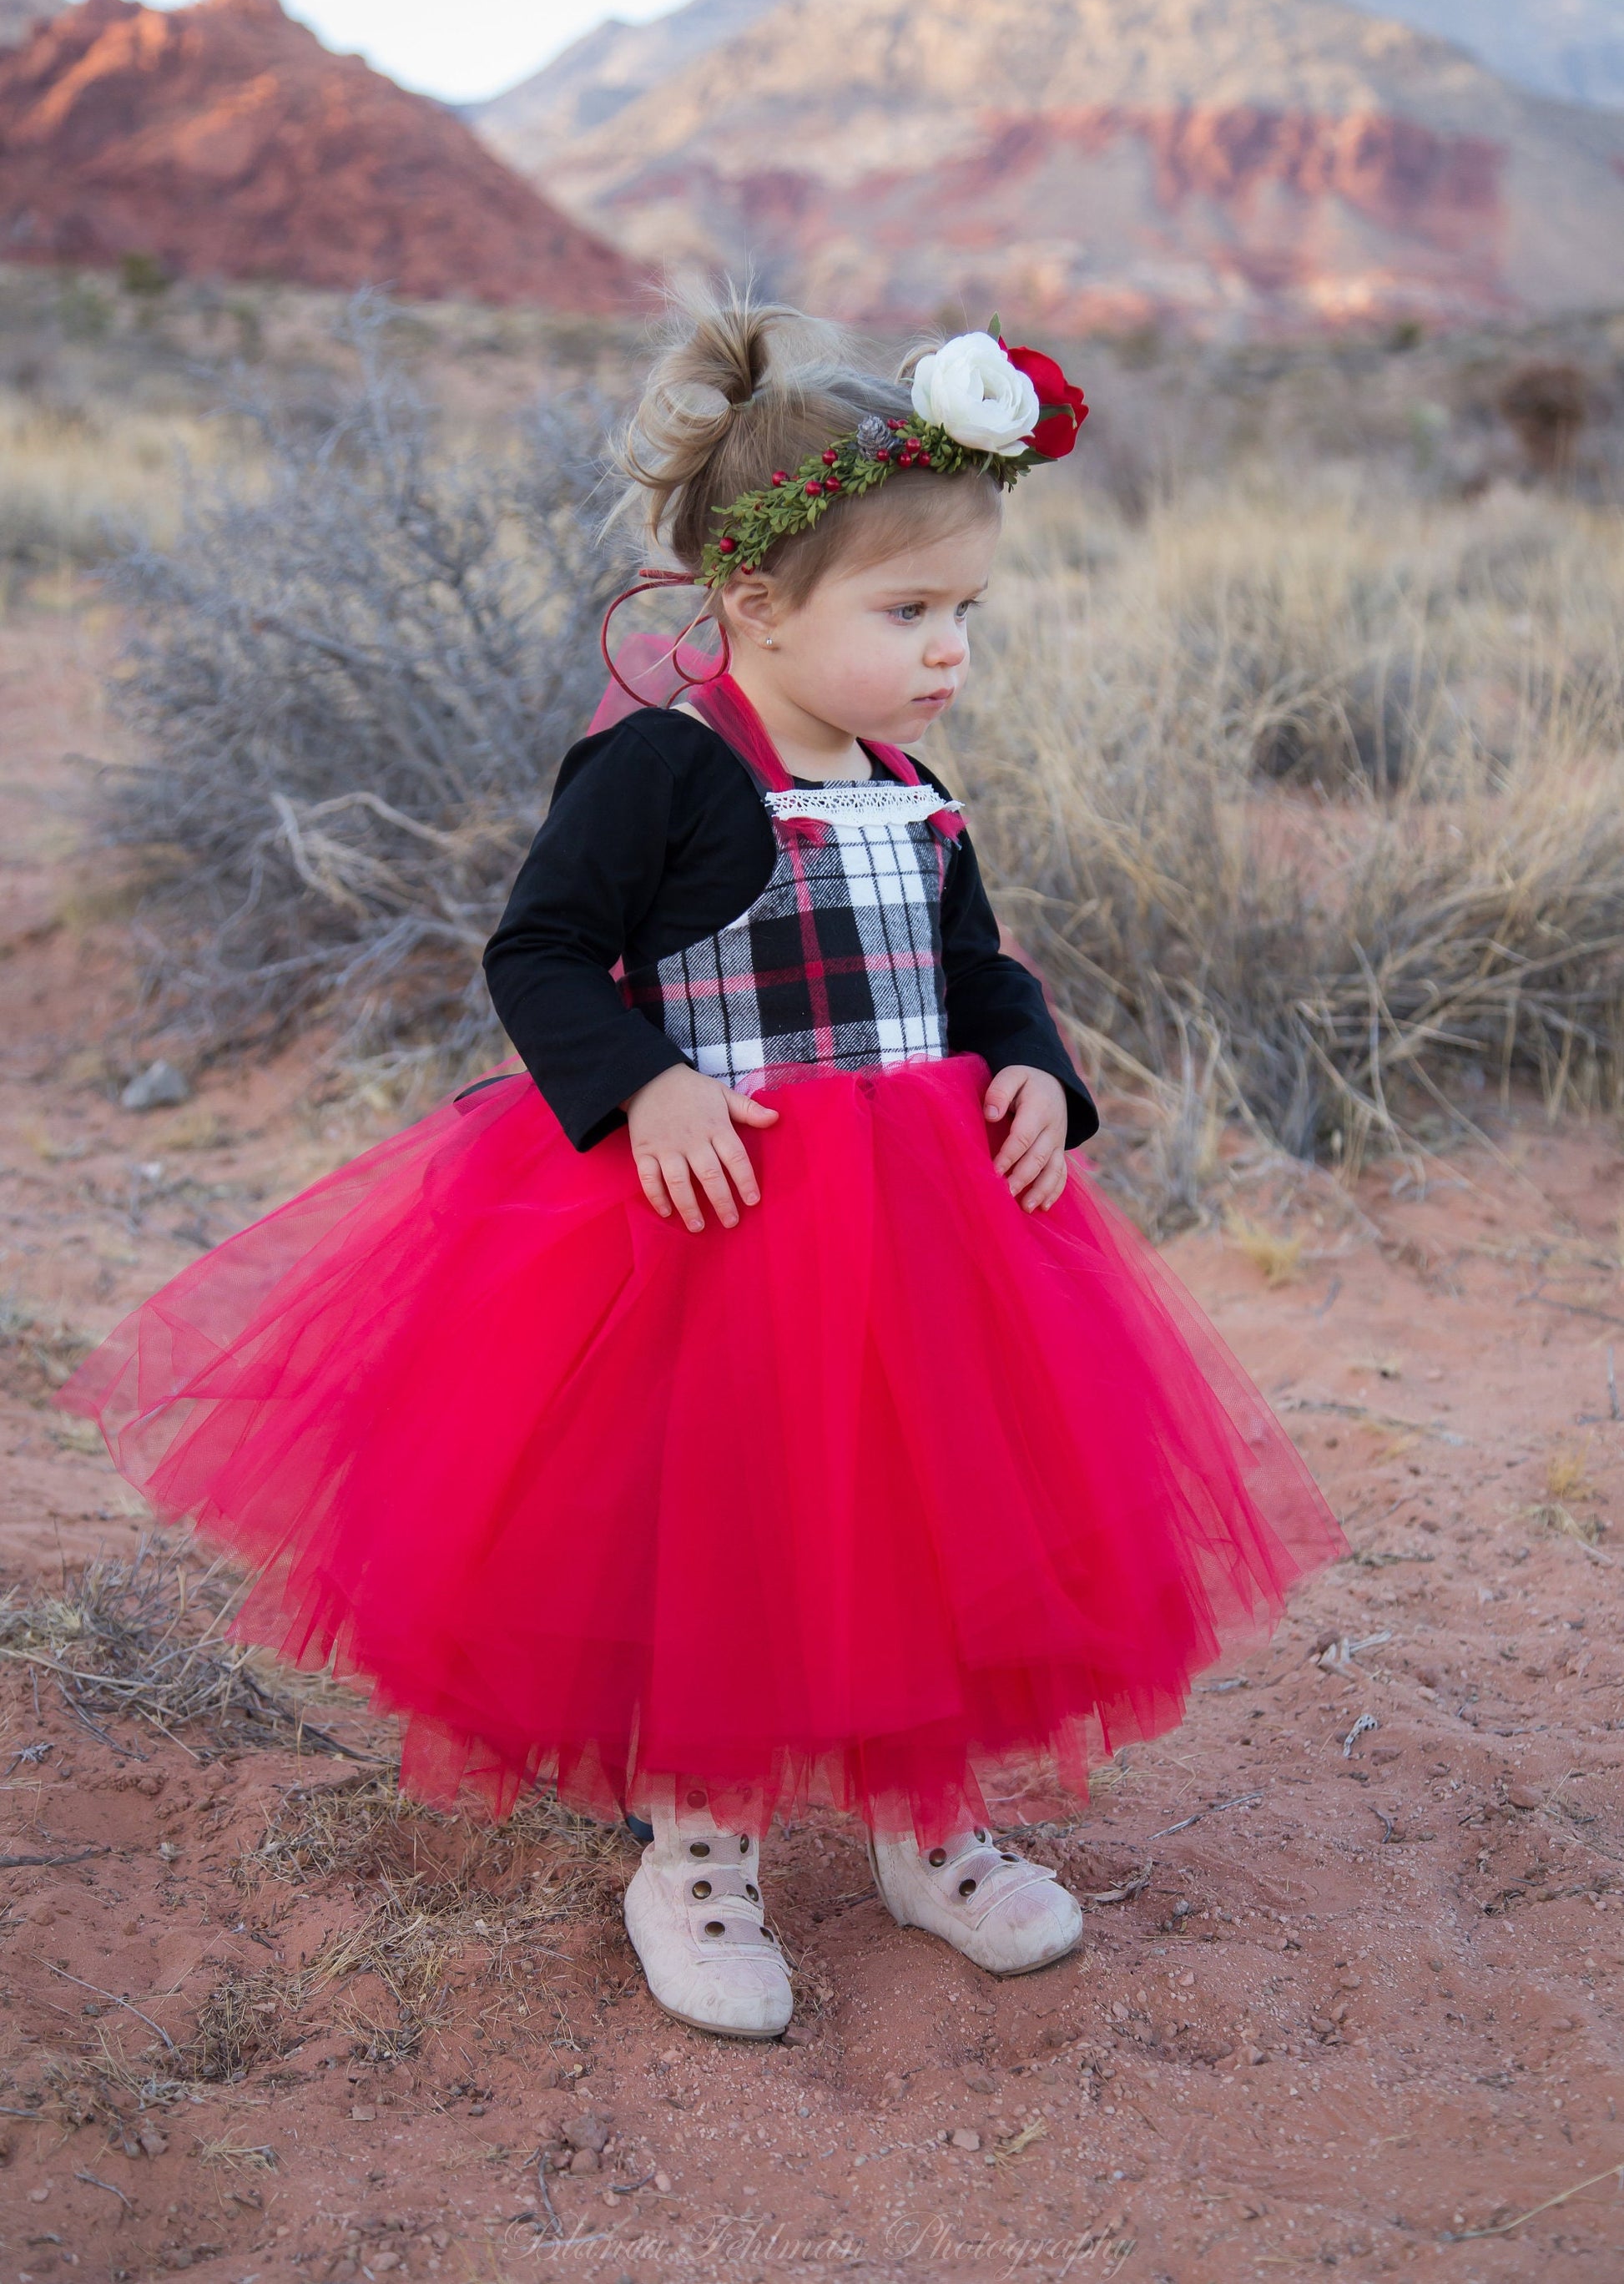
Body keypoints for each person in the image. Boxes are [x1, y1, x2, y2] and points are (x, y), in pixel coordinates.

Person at [62, 298, 1344, 2043]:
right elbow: (538, 953)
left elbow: (976, 969)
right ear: (754, 603)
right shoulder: (662, 769)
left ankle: (929, 1824)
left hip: (925, 1242)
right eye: (906, 612)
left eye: (963, 609)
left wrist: (1034, 1064)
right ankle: (693, 1843)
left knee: (933, 1515)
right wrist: (641, 1084)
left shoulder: (908, 785)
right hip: (710, 1226)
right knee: (719, 1535)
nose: (947, 648)